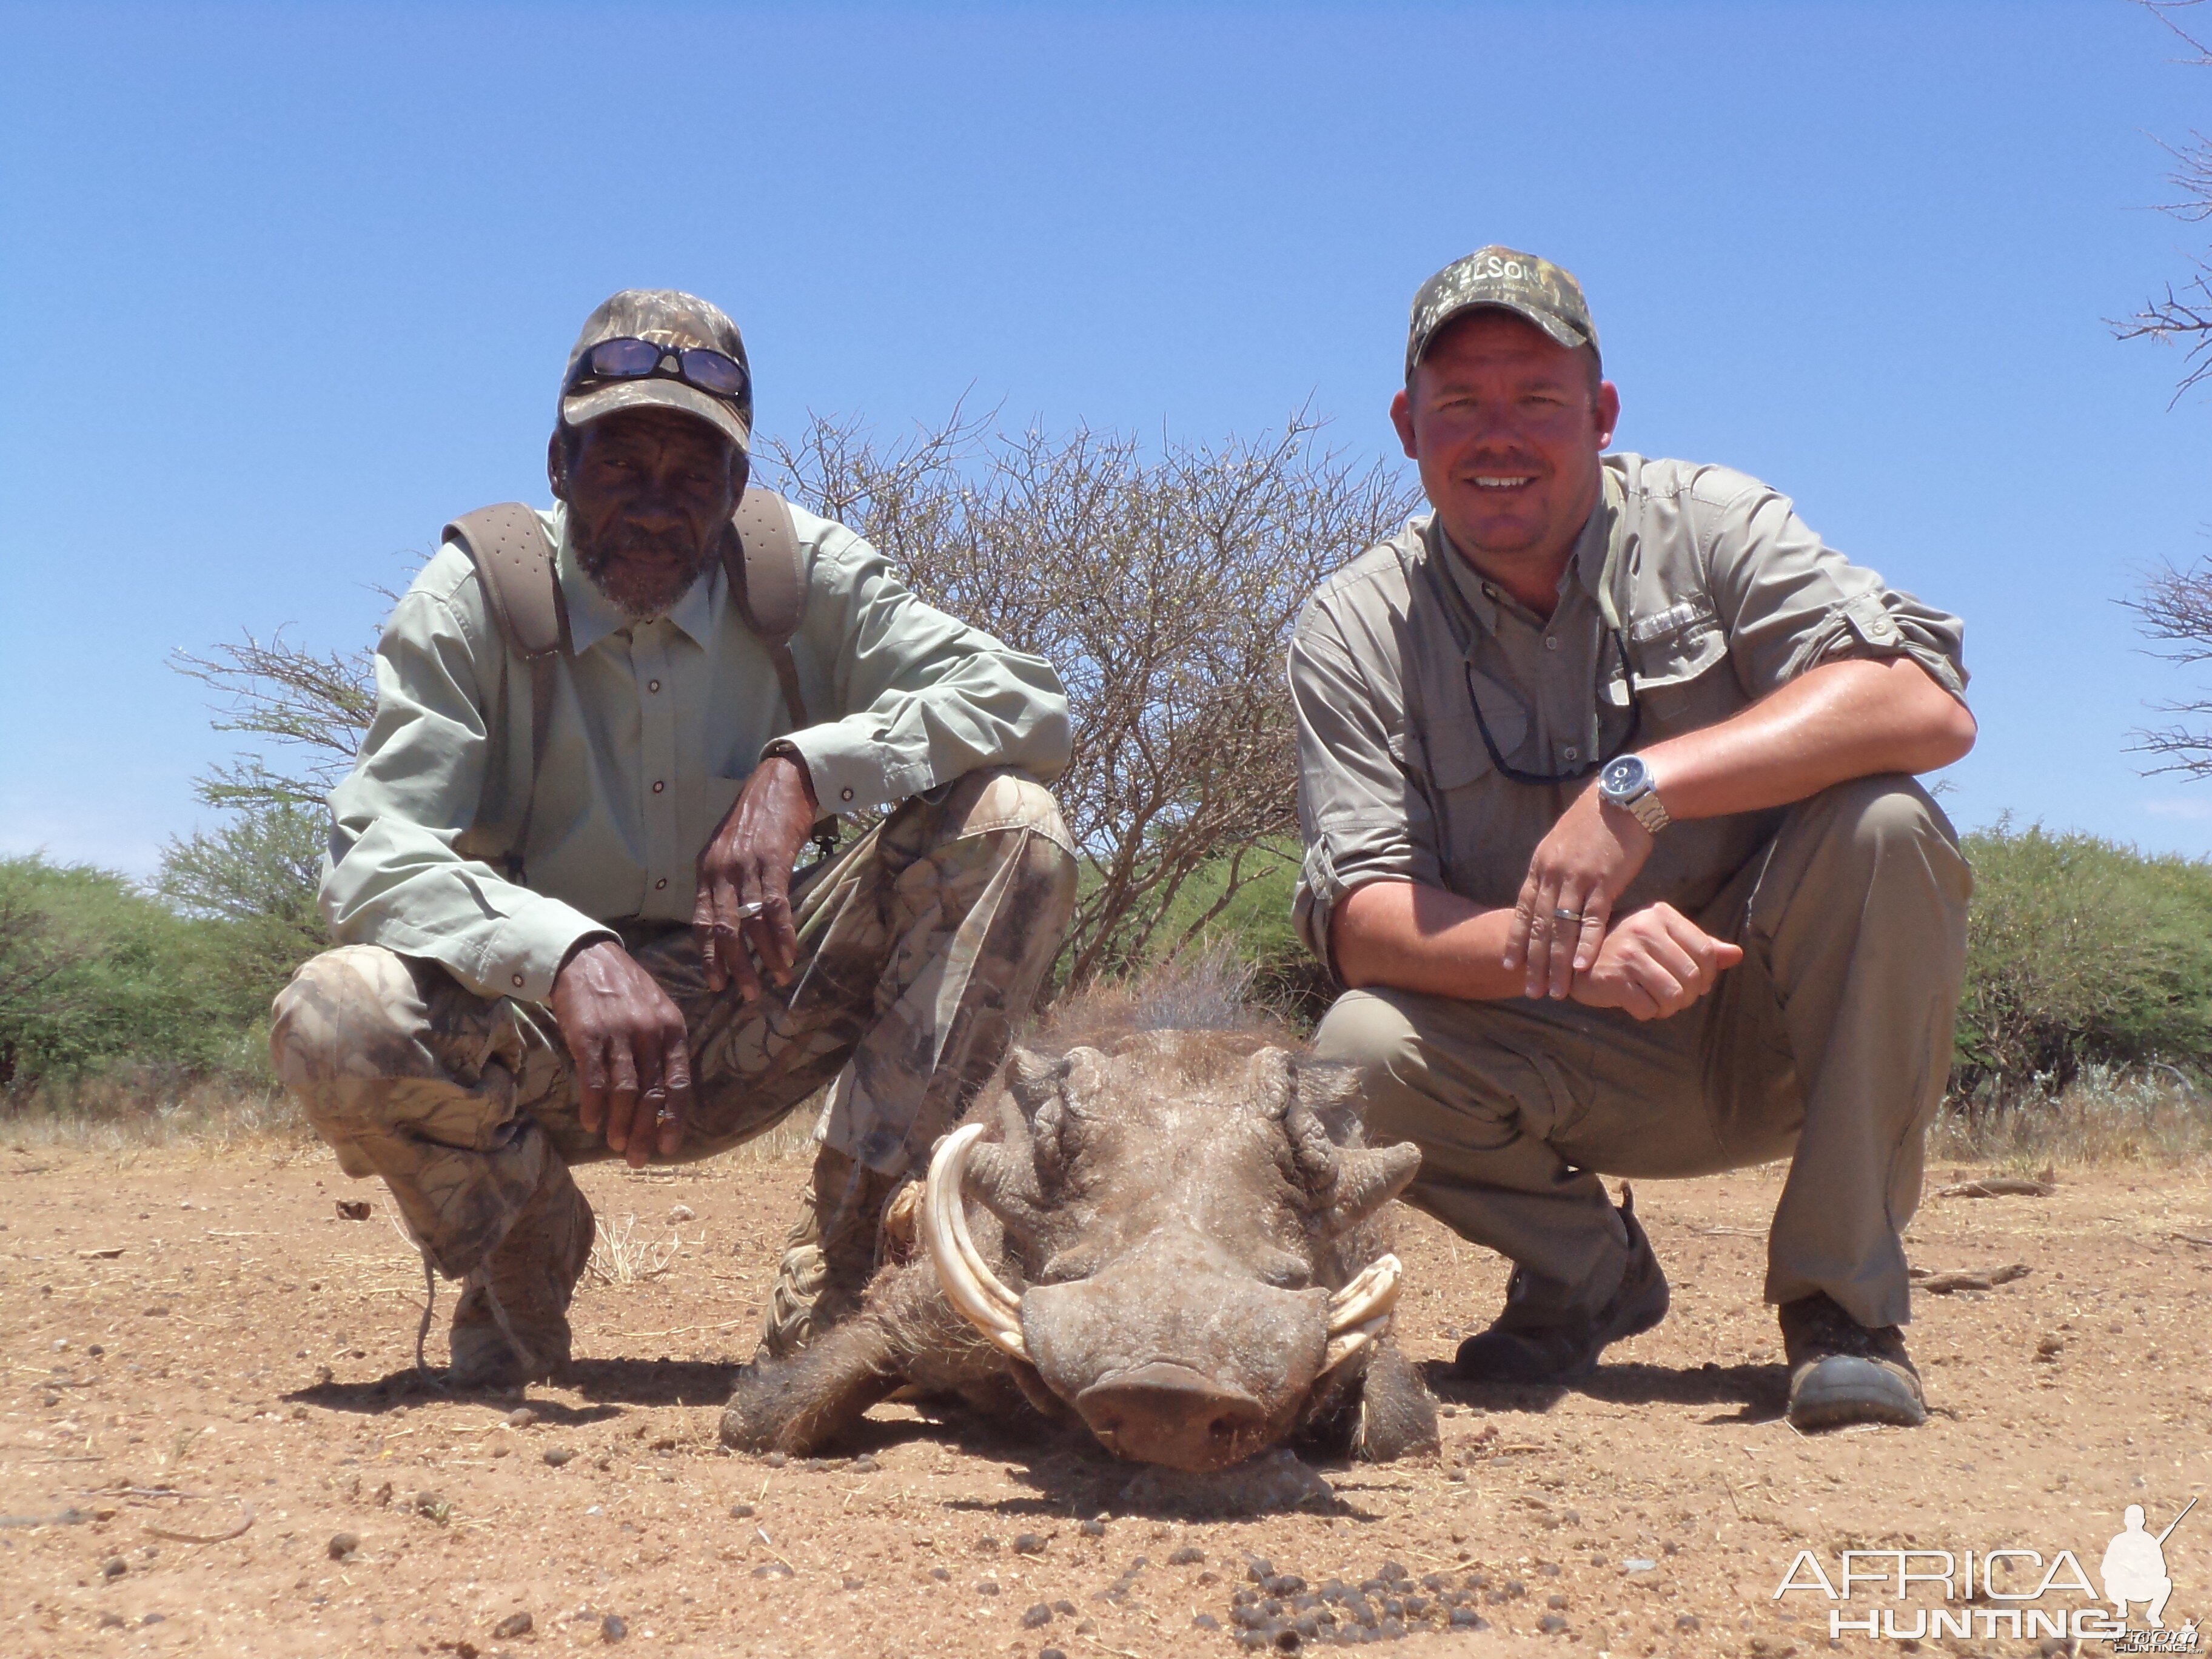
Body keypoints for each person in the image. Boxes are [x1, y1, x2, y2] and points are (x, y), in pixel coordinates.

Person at [271, 289, 1078, 1389]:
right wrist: (563, 952)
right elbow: (372, 854)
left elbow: (1030, 703)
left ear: (737, 487)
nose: (655, 507)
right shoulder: (475, 595)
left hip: (761, 1000)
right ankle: (525, 1236)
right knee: (336, 1013)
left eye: (692, 474)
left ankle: (845, 1270)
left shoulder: (804, 575)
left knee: (1014, 826)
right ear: (561, 464)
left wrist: (804, 771)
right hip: (552, 1039)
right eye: (621, 466)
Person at [1294, 248, 1976, 1430]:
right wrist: (1568, 958)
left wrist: (1639, 789)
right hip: (1562, 1056)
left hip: (1774, 1028)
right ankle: (1588, 1273)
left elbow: (1924, 706)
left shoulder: (1715, 524)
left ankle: (1842, 1310)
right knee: (1349, 1052)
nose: (1497, 434)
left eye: (1538, 401)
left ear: (1601, 416)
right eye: (1460, 404)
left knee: (1888, 826)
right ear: (1408, 427)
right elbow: (1361, 922)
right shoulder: (1351, 623)